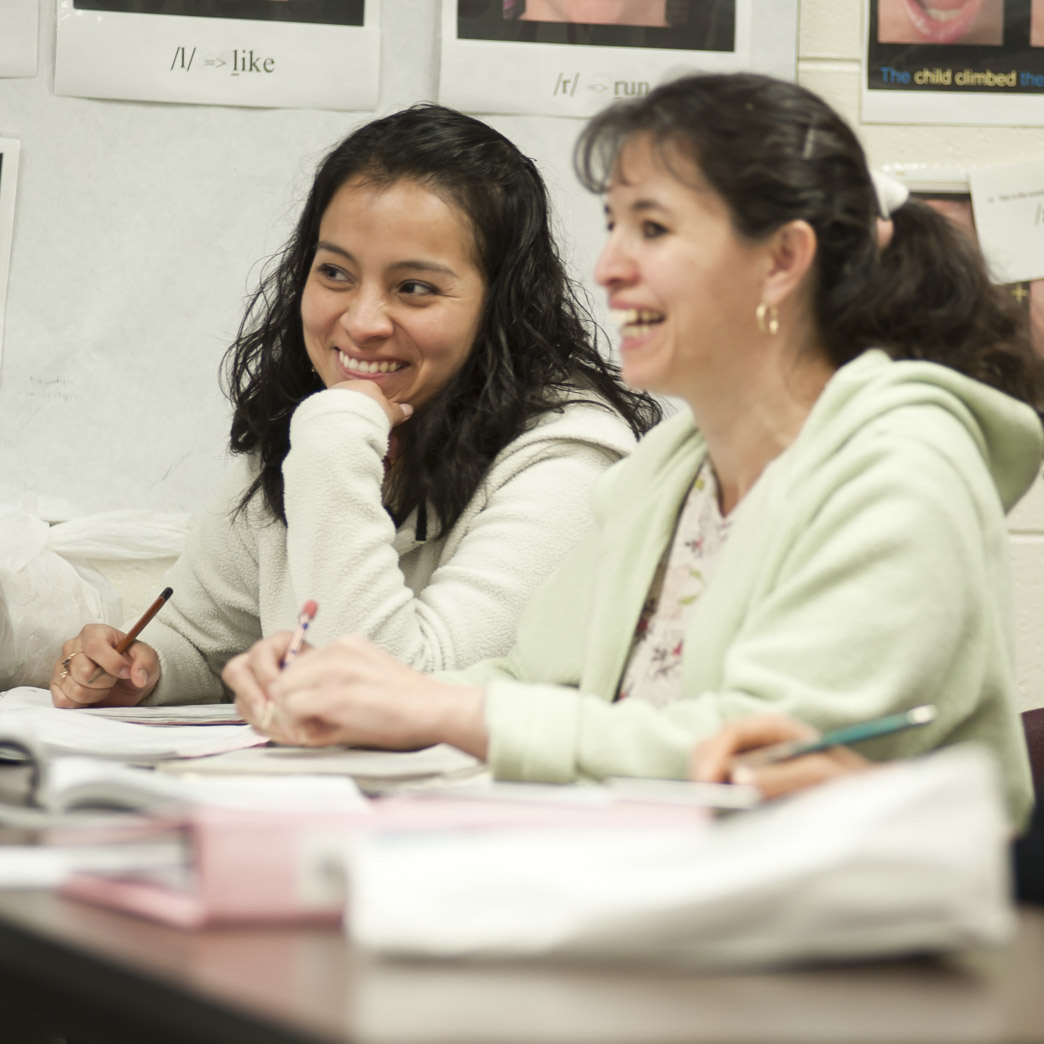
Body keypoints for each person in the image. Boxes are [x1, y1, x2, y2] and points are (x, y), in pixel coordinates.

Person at [224, 73, 1044, 827]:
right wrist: (357, 694)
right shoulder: (673, 470)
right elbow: (525, 682)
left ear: (782, 261)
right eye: (615, 226)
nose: (610, 268)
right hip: (674, 912)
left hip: (858, 960)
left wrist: (441, 712)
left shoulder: (903, 468)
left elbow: (768, 754)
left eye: (652, 228)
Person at [50, 104, 660, 709]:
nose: (361, 322)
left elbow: (400, 690)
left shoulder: (571, 460)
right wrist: (140, 669)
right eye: (336, 273)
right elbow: (209, 640)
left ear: (501, 304)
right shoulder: (315, 420)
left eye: (414, 288)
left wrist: (336, 440)